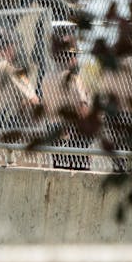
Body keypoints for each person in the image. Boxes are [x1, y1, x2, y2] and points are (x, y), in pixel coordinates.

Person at [39, 26, 91, 170]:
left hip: (54, 131)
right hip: (74, 135)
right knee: (80, 170)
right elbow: (83, 109)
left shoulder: (46, 78)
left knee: (59, 168)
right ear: (72, 58)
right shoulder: (73, 78)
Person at [0, 28, 39, 142]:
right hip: (9, 127)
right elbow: (33, 99)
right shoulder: (9, 69)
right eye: (14, 46)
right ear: (9, 47)